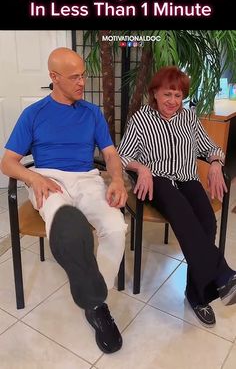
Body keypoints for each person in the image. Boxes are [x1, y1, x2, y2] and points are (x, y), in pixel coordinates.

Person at [0, 47, 128, 353]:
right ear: (53, 78)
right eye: (74, 77)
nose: (82, 82)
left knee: (115, 226)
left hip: (87, 178)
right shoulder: (33, 114)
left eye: (83, 75)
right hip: (48, 179)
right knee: (63, 221)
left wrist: (119, 179)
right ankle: (97, 308)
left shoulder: (92, 113)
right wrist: (34, 178)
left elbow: (110, 154)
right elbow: (8, 163)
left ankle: (94, 298)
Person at [118, 65, 236, 328]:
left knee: (207, 223)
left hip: (187, 178)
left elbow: (210, 147)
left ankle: (197, 295)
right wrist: (142, 168)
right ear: (155, 93)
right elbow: (122, 155)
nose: (173, 101)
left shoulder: (189, 118)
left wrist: (216, 163)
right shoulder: (140, 120)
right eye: (167, 94)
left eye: (178, 95)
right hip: (156, 181)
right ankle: (223, 273)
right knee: (183, 214)